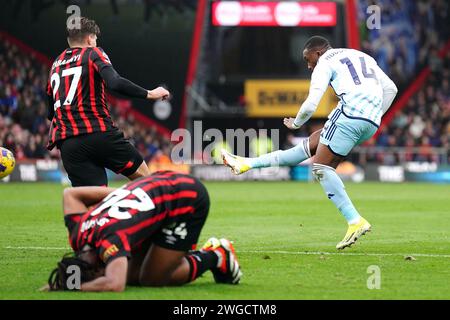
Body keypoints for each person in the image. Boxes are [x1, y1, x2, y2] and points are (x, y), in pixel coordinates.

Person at [222, 36, 398, 250]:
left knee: (321, 168)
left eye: (308, 59)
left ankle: (355, 221)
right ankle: (246, 164)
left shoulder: (325, 62)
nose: (308, 65)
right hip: (370, 121)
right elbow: (391, 89)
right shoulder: (360, 55)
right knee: (304, 149)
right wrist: (376, 115)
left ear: (318, 52)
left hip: (350, 114)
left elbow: (311, 103)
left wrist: (296, 123)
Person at [44, 171, 242, 292]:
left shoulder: (111, 239)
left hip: (186, 198)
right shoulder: (78, 231)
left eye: (96, 272)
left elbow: (115, 285)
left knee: (150, 279)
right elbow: (70, 194)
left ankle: (216, 255)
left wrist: (72, 286)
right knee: (132, 275)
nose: (100, 272)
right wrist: (127, 193)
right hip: (157, 184)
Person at [46, 17, 170, 187]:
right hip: (99, 134)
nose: (96, 42)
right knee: (145, 182)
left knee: (95, 202)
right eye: (95, 39)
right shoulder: (93, 53)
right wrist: (150, 94)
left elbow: (49, 112)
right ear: (90, 38)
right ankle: (153, 212)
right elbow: (115, 82)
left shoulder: (55, 65)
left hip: (69, 145)